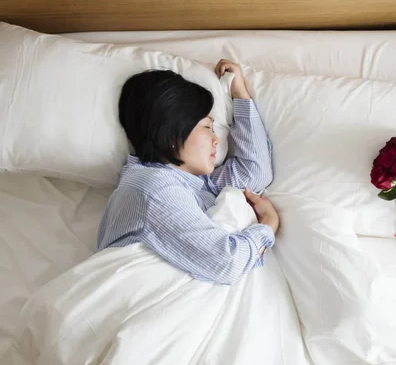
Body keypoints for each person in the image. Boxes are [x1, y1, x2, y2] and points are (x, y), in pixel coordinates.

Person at [97, 59, 279, 285]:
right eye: (207, 127)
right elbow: (227, 263)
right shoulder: (153, 187)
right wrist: (268, 225)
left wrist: (239, 91)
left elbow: (255, 173)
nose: (216, 139)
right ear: (173, 130)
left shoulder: (193, 181)